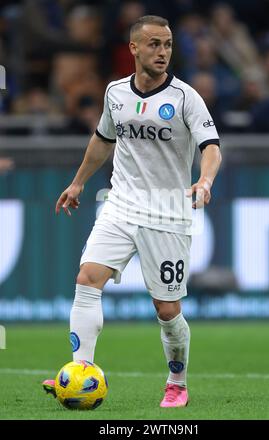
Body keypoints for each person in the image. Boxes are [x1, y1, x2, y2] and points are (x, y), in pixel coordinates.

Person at [42, 15, 222, 408]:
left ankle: (177, 381)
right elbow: (103, 139)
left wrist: (205, 181)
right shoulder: (115, 93)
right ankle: (81, 373)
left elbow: (211, 146)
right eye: (154, 44)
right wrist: (78, 183)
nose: (162, 52)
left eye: (168, 45)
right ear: (134, 49)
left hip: (168, 212)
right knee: (87, 278)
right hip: (120, 203)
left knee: (167, 308)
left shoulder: (185, 98)